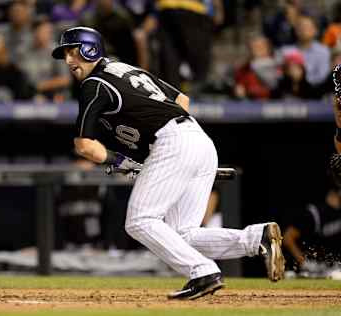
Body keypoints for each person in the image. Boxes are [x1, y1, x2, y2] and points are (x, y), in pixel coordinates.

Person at [51, 26, 285, 300]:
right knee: (181, 234)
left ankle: (202, 272)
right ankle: (257, 238)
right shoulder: (127, 69)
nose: (68, 61)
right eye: (65, 54)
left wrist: (125, 161)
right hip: (198, 138)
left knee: (139, 221)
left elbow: (84, 146)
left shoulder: (94, 83)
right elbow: (181, 100)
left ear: (91, 49)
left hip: (172, 142)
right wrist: (162, 154)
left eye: (73, 52)